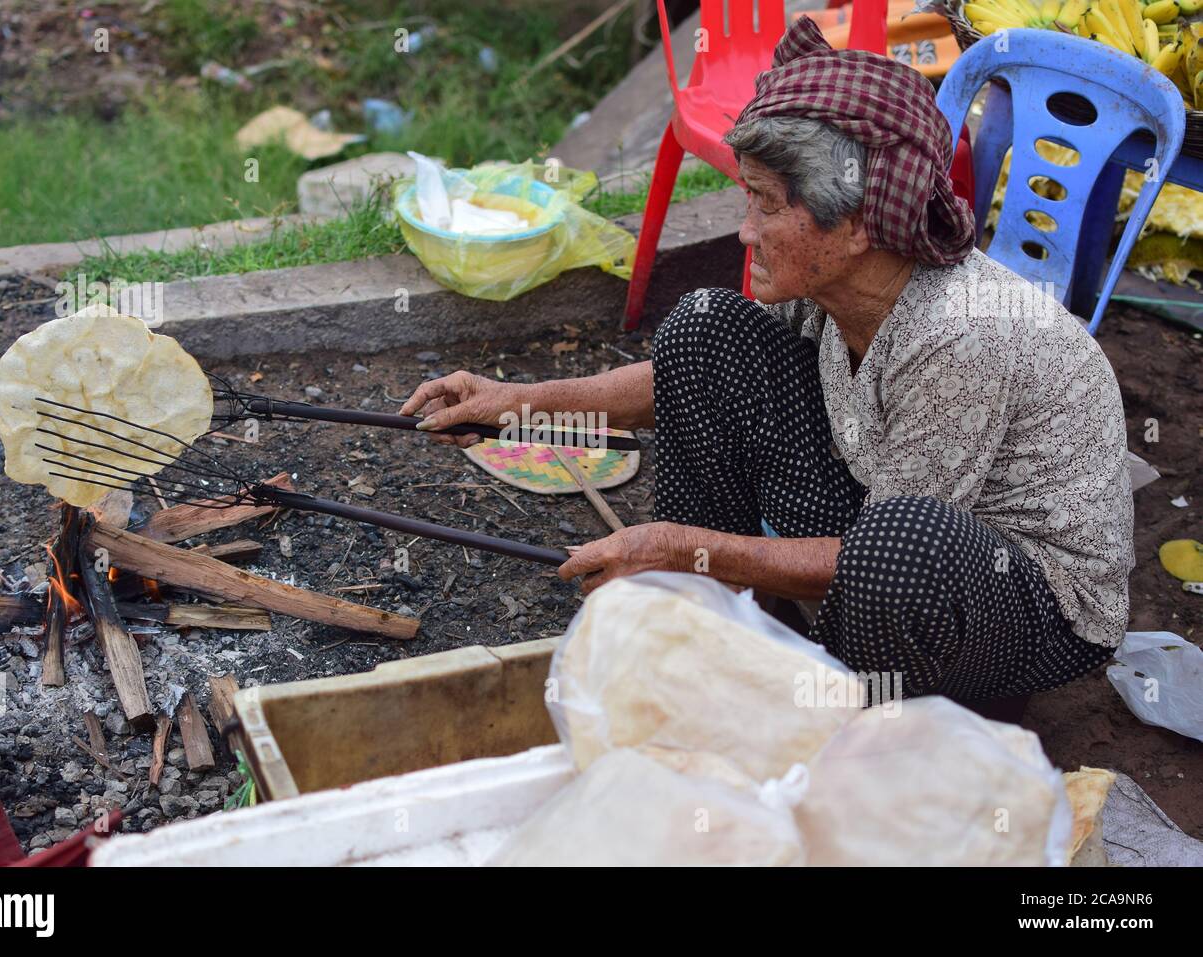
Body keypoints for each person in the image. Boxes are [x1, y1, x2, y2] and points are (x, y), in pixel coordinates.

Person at [399, 17, 1133, 702]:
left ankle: (860, 705)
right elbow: (676, 383)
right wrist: (516, 407)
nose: (746, 232)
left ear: (854, 225)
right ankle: (717, 624)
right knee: (704, 327)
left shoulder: (958, 333)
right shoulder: (834, 278)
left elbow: (880, 548)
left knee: (894, 547)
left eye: (766, 205)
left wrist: (684, 548)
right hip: (886, 519)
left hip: (1026, 600)